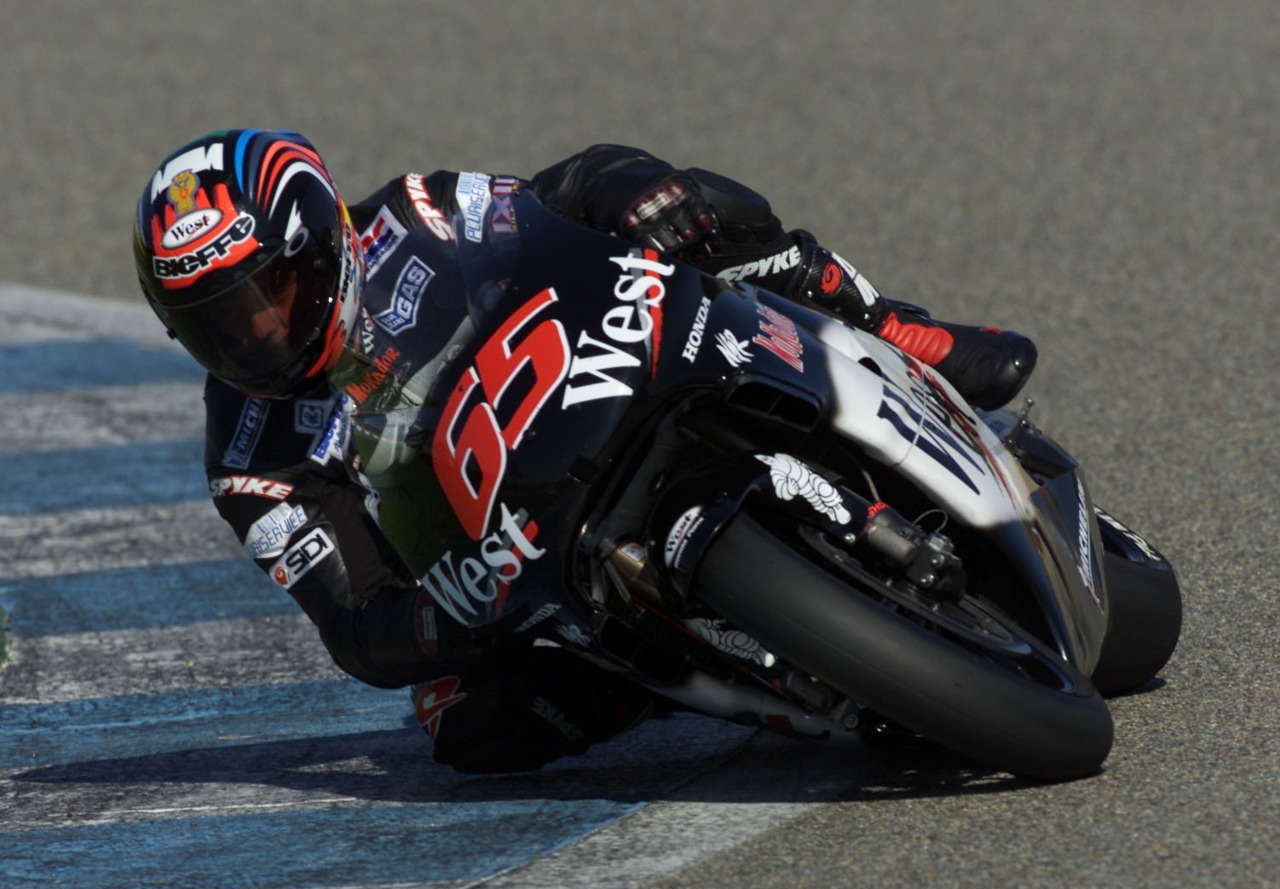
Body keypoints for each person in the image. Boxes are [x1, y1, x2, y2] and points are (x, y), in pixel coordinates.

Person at [134, 130, 1037, 773]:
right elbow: (355, 621)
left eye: (270, 292)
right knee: (469, 728)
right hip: (505, 560)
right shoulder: (250, 460)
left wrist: (634, 194)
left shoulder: (419, 215)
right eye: (216, 324)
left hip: (607, 375)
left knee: (693, 204)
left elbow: (566, 190)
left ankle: (889, 326)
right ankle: (658, 677)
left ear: (324, 239)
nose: (255, 332)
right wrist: (445, 621)